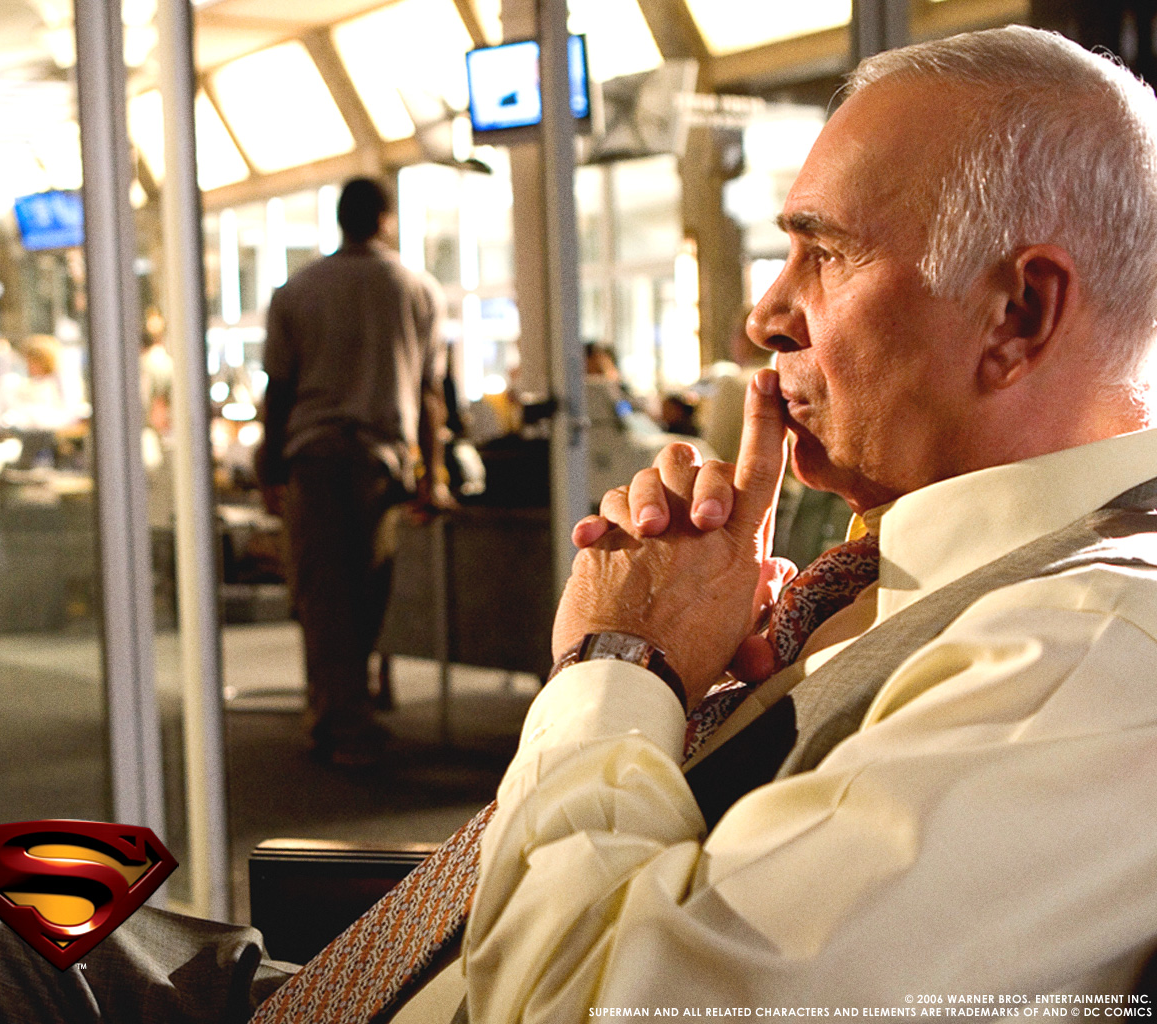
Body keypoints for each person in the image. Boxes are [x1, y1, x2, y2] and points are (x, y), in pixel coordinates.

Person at [462, 24, 1157, 1018]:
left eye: (823, 253)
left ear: (1017, 314)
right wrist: (731, 684)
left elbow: (588, 1004)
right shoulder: (930, 583)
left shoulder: (1082, 654)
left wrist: (619, 661)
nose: (763, 315)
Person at [255, 176, 449, 766]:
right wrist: (433, 476)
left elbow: (279, 390)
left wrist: (269, 467)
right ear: (386, 219)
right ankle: (345, 720)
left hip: (313, 460)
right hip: (378, 464)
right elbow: (430, 394)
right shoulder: (417, 288)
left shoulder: (296, 290)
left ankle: (335, 716)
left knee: (320, 593)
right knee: (366, 593)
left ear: (340, 220)